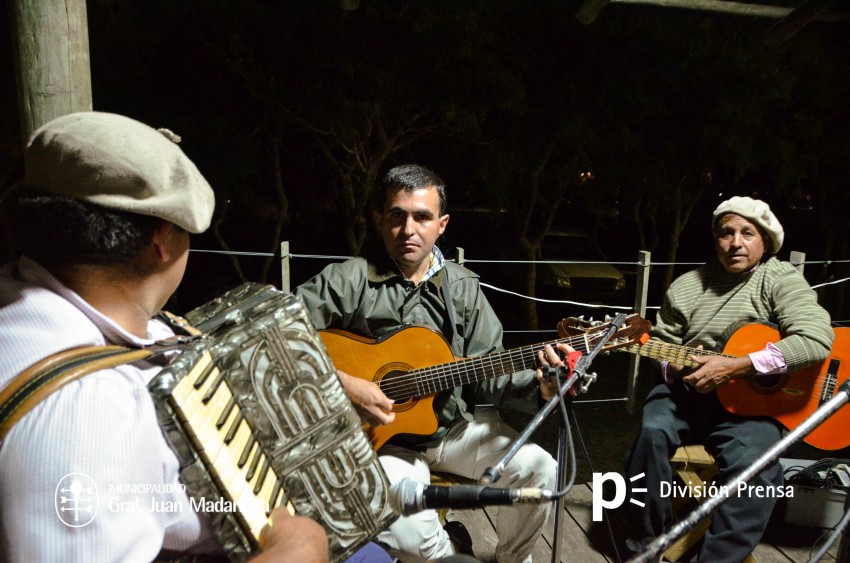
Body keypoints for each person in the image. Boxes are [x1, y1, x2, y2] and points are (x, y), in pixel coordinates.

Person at [0, 111, 382, 563]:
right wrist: (296, 552)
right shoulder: (85, 415)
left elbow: (187, 350)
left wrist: (328, 381)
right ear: (162, 239)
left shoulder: (40, 298)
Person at [294, 163, 573, 563]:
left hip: (455, 429)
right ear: (379, 220)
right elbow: (280, 333)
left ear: (441, 225)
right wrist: (343, 382)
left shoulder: (462, 287)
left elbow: (490, 369)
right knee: (411, 541)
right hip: (386, 440)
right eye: (397, 216)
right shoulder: (348, 279)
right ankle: (454, 552)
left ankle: (511, 559)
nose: (409, 229)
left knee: (540, 470)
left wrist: (540, 386)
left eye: (422, 217)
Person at [625, 196, 835, 562]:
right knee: (650, 434)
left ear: (764, 242)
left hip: (751, 409)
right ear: (716, 240)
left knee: (757, 468)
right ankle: (647, 543)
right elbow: (663, 346)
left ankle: (718, 558)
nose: (735, 242)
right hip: (687, 396)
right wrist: (676, 367)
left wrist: (741, 366)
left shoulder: (779, 278)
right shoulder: (687, 286)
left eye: (747, 233)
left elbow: (816, 339)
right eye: (726, 233)